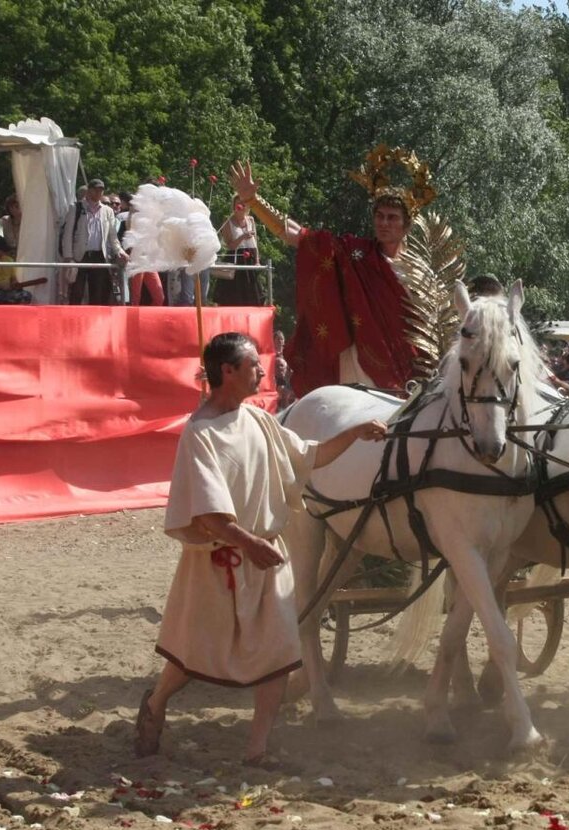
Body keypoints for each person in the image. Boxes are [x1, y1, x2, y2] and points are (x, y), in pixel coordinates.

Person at [134, 332, 387, 765]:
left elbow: (309, 456)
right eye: (253, 364)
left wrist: (355, 433)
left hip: (267, 555)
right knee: (195, 653)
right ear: (227, 371)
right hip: (220, 559)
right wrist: (248, 543)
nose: (261, 371)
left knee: (281, 653)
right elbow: (208, 514)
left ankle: (258, 749)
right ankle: (156, 704)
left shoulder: (259, 420)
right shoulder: (199, 433)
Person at [229, 149, 435, 396]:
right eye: (380, 216)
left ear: (407, 225)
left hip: (408, 369)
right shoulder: (354, 253)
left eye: (392, 218)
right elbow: (299, 236)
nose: (384, 223)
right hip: (361, 363)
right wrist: (254, 201)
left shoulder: (421, 273)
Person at [61, 178, 127, 304]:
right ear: (89, 191)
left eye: (101, 190)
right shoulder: (76, 208)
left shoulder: (107, 211)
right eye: (95, 190)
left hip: (99, 256)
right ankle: (73, 314)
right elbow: (67, 234)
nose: (98, 193)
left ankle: (94, 315)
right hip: (79, 256)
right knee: (76, 292)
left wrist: (119, 251)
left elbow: (113, 237)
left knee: (97, 293)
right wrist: (68, 257)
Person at [214, 201, 262, 306]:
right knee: (234, 294)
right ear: (234, 205)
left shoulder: (250, 220)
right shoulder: (228, 221)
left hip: (250, 257)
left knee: (252, 293)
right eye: (238, 203)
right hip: (235, 257)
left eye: (244, 203)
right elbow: (230, 246)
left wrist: (257, 260)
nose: (241, 206)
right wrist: (243, 236)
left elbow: (255, 243)